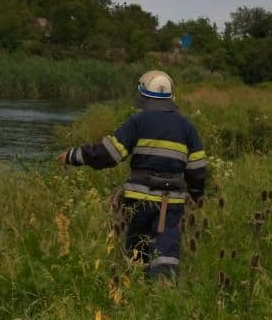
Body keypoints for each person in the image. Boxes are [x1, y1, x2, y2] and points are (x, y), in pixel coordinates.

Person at [58, 70, 207, 279]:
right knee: (166, 257)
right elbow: (198, 170)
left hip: (139, 203)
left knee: (136, 256)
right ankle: (161, 298)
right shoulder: (187, 127)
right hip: (171, 205)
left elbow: (107, 154)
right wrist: (197, 195)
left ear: (144, 95)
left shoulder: (137, 122)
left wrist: (73, 156)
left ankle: (135, 297)